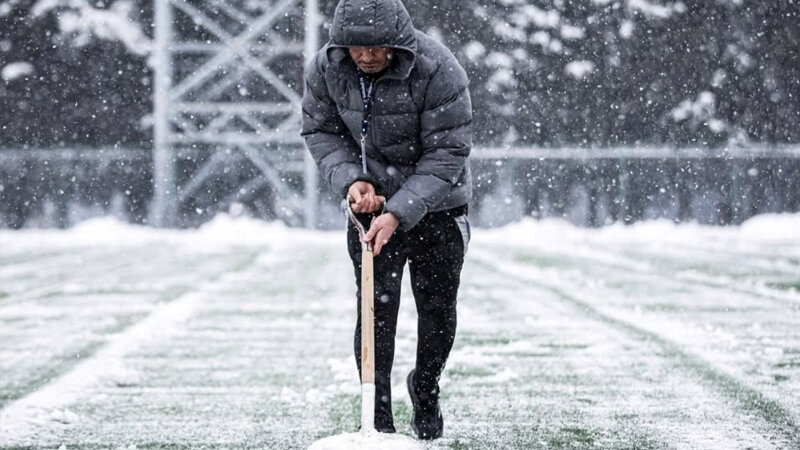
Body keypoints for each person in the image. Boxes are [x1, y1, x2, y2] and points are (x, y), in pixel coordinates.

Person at [301, 0, 472, 440]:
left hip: (439, 208)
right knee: (376, 310)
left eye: (377, 46)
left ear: (399, 42)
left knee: (437, 311)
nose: (367, 56)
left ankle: (426, 388)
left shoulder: (439, 69)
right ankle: (377, 417)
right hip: (370, 210)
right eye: (356, 47)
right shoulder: (325, 69)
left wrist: (399, 210)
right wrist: (352, 182)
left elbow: (448, 151)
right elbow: (320, 131)